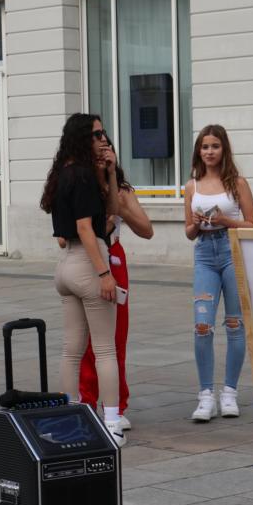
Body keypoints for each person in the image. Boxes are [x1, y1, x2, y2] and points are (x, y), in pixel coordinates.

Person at [40, 113, 126, 446]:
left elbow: (110, 213)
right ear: (82, 138)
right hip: (89, 264)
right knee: (105, 350)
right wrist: (104, 273)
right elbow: (87, 228)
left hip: (65, 268)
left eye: (103, 134)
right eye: (97, 134)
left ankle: (68, 419)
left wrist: (110, 174)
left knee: (71, 350)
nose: (104, 139)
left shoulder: (62, 174)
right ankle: (113, 423)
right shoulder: (83, 176)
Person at [184, 124, 253, 421]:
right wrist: (197, 223)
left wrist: (227, 220)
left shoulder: (237, 183)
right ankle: (206, 395)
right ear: (198, 151)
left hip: (232, 251)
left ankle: (229, 393)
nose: (210, 151)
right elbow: (189, 232)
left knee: (234, 324)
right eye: (205, 147)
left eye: (215, 146)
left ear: (224, 149)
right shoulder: (192, 186)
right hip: (204, 253)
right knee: (202, 325)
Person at [78, 151, 153, 429]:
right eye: (96, 150)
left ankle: (117, 406)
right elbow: (64, 238)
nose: (102, 155)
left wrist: (120, 209)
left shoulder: (121, 190)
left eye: (106, 149)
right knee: (86, 339)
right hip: (88, 259)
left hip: (115, 258)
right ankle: (86, 402)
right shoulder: (80, 186)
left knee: (117, 336)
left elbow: (147, 230)